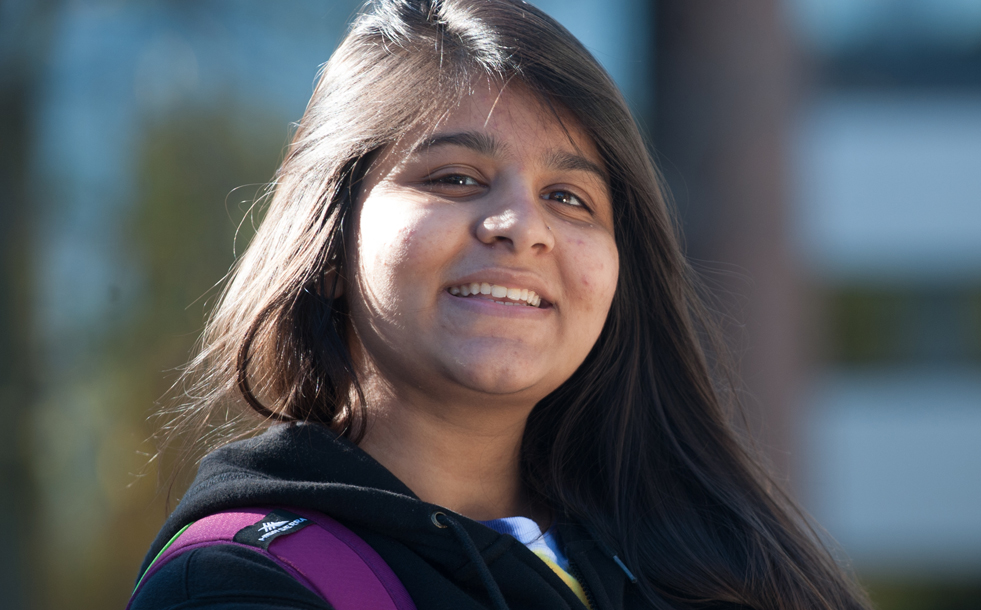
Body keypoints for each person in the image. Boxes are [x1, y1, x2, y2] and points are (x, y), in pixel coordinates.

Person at [130, 1, 873, 609]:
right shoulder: (241, 586)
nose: (521, 227)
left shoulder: (704, 571)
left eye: (569, 198)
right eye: (455, 177)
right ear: (328, 243)